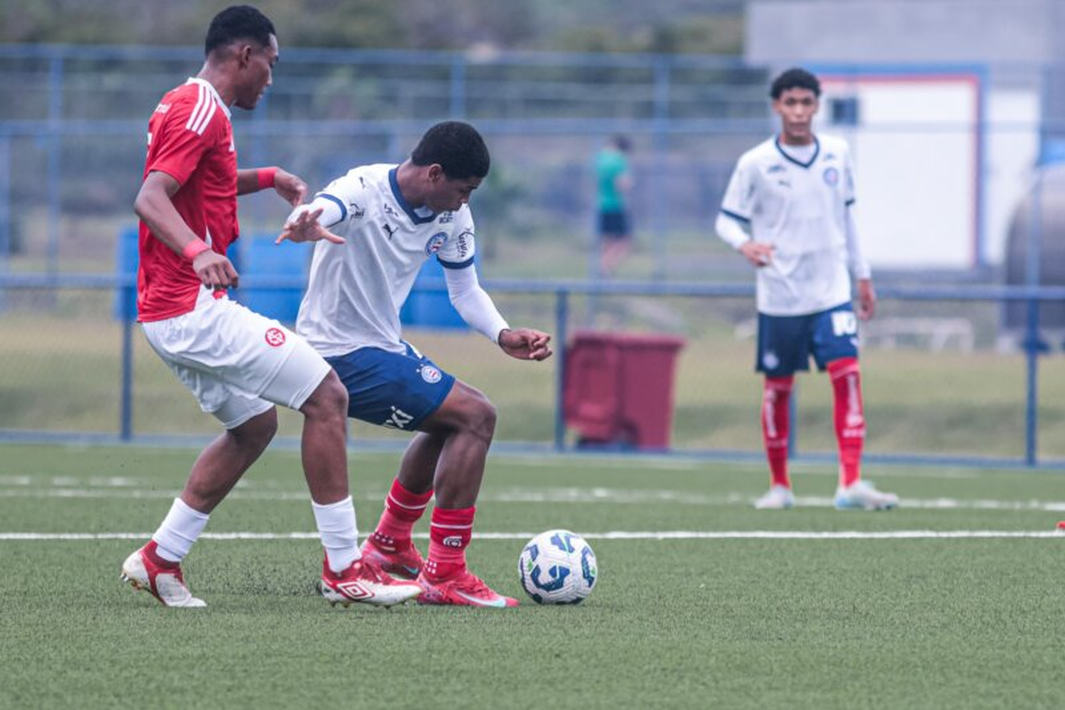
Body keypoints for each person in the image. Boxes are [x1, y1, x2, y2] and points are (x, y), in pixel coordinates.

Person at [120, 5, 422, 608]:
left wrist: (262, 178)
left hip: (168, 312)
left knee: (255, 426)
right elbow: (151, 197)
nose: (271, 78)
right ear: (244, 56)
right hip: (190, 305)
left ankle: (160, 557)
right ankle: (344, 570)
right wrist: (199, 250)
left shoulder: (190, 104)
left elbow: (195, 179)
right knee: (328, 395)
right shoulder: (201, 107)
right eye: (271, 64)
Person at [279, 121, 553, 607]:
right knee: (477, 415)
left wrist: (503, 334)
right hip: (337, 354)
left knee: (450, 421)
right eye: (463, 190)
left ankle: (388, 545)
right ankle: (445, 573)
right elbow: (331, 205)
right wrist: (308, 218)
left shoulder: (451, 218)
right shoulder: (364, 189)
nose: (466, 202)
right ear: (434, 174)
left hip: (383, 347)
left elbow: (465, 290)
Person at [715, 67, 898, 511]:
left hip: (832, 289)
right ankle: (780, 486)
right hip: (780, 294)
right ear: (777, 106)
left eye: (806, 102)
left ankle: (850, 482)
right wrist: (746, 244)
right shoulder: (755, 163)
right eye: (789, 103)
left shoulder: (837, 153)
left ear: (817, 105)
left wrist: (864, 275)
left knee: (848, 375)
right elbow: (725, 220)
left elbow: (848, 217)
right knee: (778, 388)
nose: (798, 111)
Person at [595, 134, 634, 275]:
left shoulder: (599, 158)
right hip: (615, 205)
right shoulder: (619, 161)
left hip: (600, 204)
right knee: (624, 241)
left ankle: (603, 267)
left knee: (607, 240)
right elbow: (623, 184)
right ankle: (605, 267)